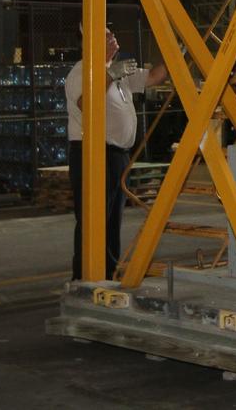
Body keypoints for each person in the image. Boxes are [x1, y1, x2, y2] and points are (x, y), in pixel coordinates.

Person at [65, 26, 167, 281]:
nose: (112, 37)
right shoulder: (82, 72)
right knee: (93, 220)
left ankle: (107, 274)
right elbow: (86, 103)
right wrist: (109, 75)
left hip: (116, 156)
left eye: (111, 33)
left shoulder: (118, 71)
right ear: (88, 43)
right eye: (104, 34)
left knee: (112, 220)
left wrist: (175, 53)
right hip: (93, 154)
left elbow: (153, 77)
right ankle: (84, 277)